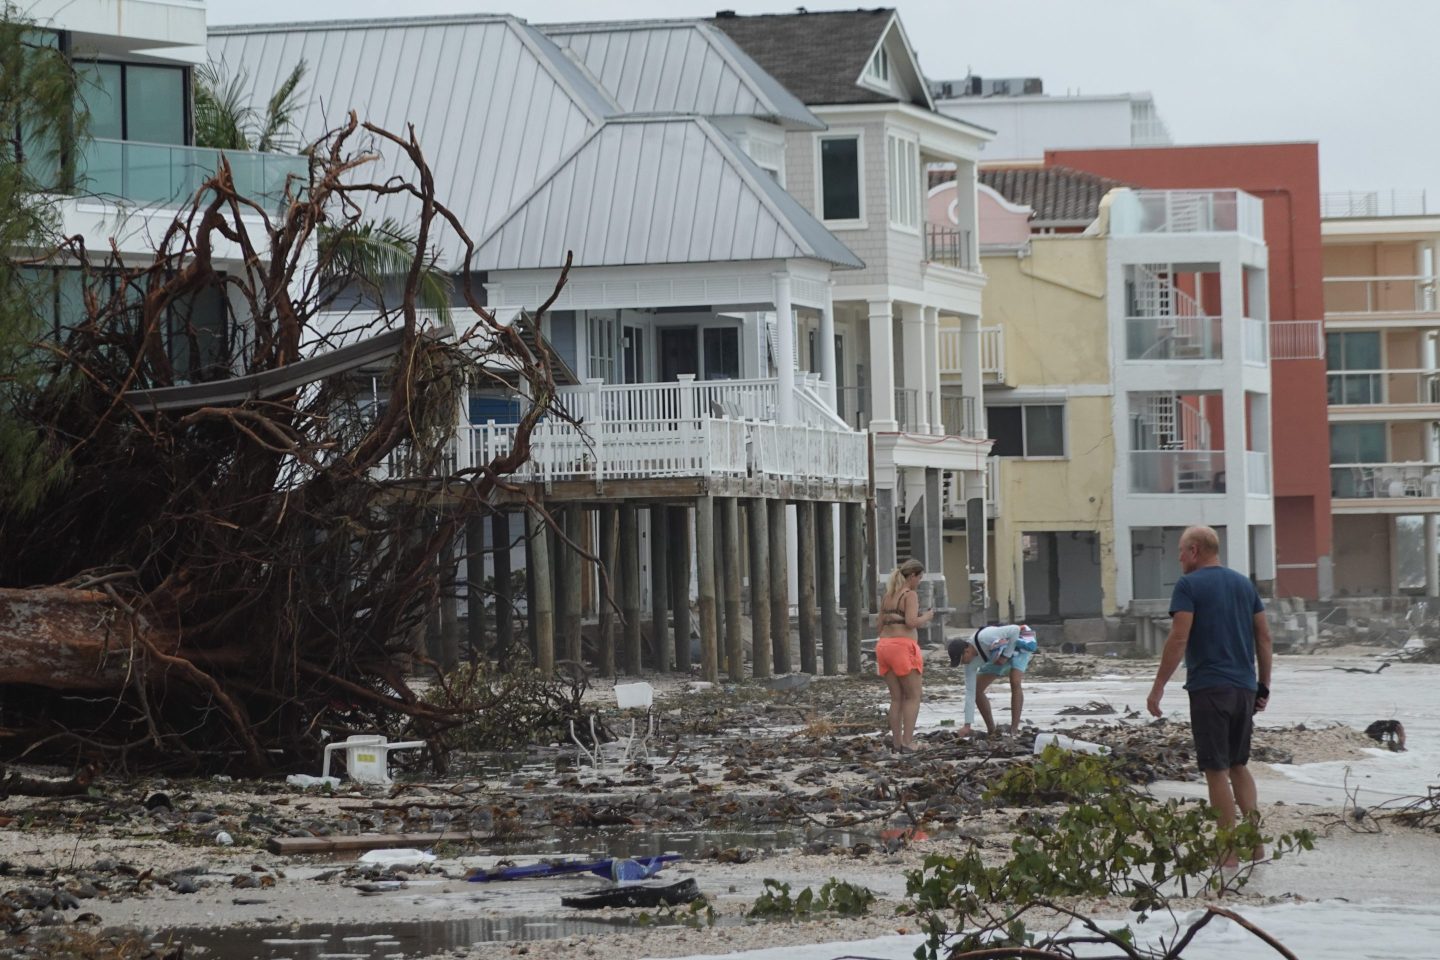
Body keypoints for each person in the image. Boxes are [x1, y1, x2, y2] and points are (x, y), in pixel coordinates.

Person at [1146, 525, 1272, 866]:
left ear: (1194, 551)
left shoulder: (1188, 585)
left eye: (1181, 551)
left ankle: (1228, 852)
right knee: (1238, 765)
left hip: (1209, 688)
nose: (1178, 557)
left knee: (1216, 770)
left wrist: (1158, 686)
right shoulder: (1244, 584)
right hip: (1244, 687)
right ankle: (1256, 847)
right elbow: (1264, 638)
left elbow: (1178, 638)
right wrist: (1264, 685)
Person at [876, 558, 933, 753]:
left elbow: (879, 625)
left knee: (896, 698)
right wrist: (927, 616)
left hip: (883, 647)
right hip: (902, 647)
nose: (920, 581)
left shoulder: (888, 596)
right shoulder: (910, 595)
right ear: (912, 576)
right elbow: (910, 622)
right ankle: (908, 743)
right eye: (919, 577)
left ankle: (897, 743)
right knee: (913, 696)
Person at [962, 623, 1036, 738]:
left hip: (1016, 645)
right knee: (977, 689)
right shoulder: (968, 664)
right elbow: (970, 692)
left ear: (966, 651)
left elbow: (1015, 630)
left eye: (962, 659)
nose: (963, 663)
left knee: (1015, 681)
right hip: (995, 654)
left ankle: (1014, 730)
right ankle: (991, 729)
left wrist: (1005, 656)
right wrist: (967, 725)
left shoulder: (984, 637)